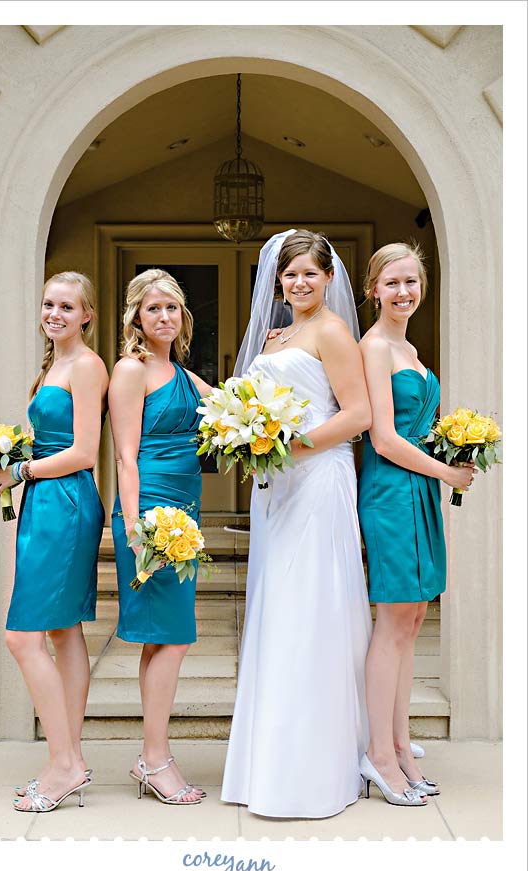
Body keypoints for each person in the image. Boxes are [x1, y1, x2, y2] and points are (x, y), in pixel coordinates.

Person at [221, 230, 373, 818]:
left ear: (329, 277)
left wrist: (287, 445)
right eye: (290, 275)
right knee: (277, 606)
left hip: (317, 481)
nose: (299, 283)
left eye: (311, 273)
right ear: (277, 282)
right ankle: (268, 760)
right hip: (276, 488)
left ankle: (312, 768)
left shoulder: (333, 332)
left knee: (311, 606)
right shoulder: (274, 336)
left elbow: (357, 415)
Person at [357, 243, 476, 806]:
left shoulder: (409, 347)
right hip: (390, 490)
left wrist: (459, 447)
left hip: (419, 487)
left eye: (411, 282)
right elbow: (382, 438)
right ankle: (378, 755)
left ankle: (401, 746)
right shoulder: (374, 346)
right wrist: (446, 473)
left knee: (414, 617)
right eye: (392, 283)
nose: (403, 292)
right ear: (373, 289)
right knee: (393, 619)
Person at [0, 272, 109, 812]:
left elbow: (83, 451)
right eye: (48, 304)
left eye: (66, 306)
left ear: (86, 315)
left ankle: (65, 764)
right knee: (63, 630)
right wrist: (10, 459)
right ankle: (69, 758)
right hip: (46, 501)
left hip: (66, 503)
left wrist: (21, 471)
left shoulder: (86, 366)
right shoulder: (52, 367)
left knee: (22, 637)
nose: (54, 314)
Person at [109, 269, 212, 805]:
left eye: (172, 307)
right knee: (174, 637)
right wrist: (134, 527)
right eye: (153, 308)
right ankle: (156, 759)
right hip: (151, 517)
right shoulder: (131, 370)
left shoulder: (184, 375)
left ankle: (152, 756)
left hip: (185, 513)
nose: (164, 316)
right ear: (136, 317)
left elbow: (239, 406)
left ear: (183, 316)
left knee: (164, 637)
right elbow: (125, 456)